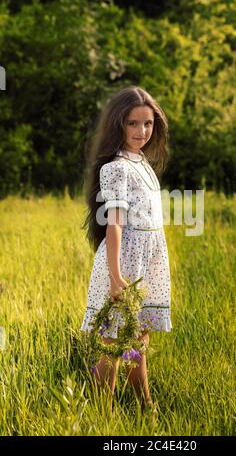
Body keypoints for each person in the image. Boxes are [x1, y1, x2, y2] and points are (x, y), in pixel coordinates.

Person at [80, 85, 172, 416]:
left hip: (149, 262)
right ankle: (100, 413)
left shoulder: (143, 163)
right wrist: (117, 276)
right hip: (124, 262)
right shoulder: (116, 167)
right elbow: (114, 224)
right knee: (112, 341)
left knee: (139, 338)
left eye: (147, 124)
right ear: (118, 124)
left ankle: (145, 405)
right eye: (133, 123)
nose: (141, 131)